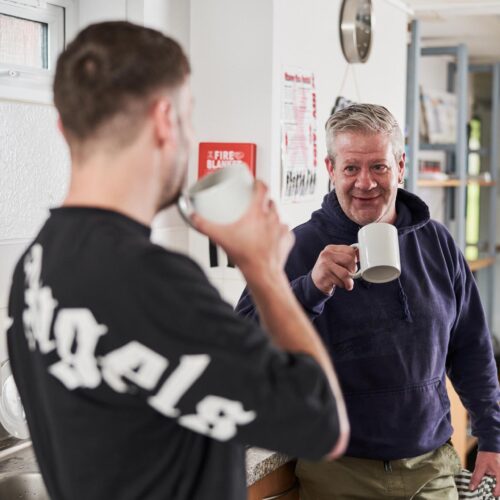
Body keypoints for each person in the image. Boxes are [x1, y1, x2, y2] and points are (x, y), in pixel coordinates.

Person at [6, 21, 349, 500]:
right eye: (189, 117)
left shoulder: (35, 264)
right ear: (166, 120)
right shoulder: (152, 281)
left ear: (64, 127)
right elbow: (322, 425)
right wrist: (265, 271)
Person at [237, 103, 500, 499]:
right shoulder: (297, 247)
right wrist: (311, 288)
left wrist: (492, 437)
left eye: (378, 166)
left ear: (400, 165)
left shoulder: (438, 243)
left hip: (430, 469)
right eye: (351, 168)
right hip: (337, 473)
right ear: (331, 169)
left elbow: (472, 348)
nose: (365, 182)